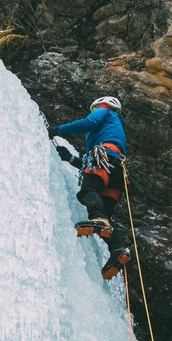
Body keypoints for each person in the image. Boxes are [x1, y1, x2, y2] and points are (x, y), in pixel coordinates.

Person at [47, 96, 132, 280]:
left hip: (104, 158)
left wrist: (57, 130)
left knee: (88, 191)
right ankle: (117, 249)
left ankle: (99, 219)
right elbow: (89, 165)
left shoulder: (105, 111)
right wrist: (70, 158)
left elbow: (88, 123)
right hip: (116, 172)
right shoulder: (116, 129)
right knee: (105, 217)